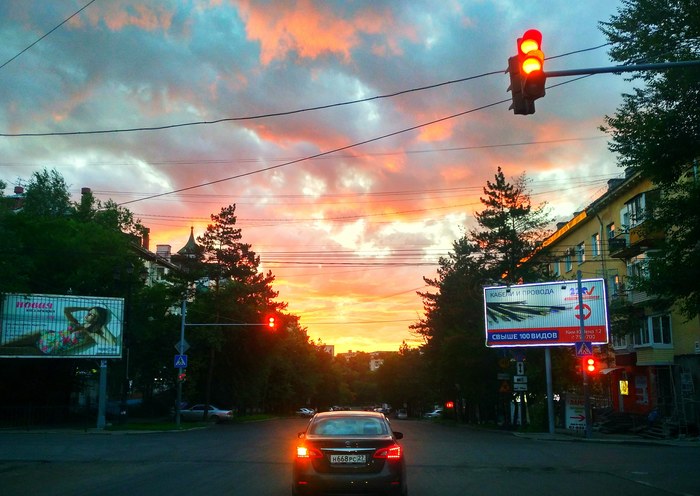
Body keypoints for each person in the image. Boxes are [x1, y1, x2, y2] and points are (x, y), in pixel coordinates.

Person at [37, 306, 115, 354]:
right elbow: (66, 310)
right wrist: (85, 308)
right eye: (89, 312)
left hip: (48, 347)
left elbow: (112, 345)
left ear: (96, 319)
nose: (87, 314)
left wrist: (103, 327)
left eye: (91, 314)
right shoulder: (77, 324)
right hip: (46, 336)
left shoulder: (91, 334)